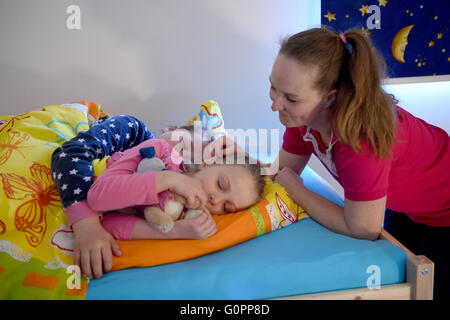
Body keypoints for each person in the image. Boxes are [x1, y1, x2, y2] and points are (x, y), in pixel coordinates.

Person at [264, 27, 449, 300]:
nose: (275, 105)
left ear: (330, 98)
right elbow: (281, 173)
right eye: (273, 87)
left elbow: (362, 228)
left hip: (445, 210)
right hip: (409, 206)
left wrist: (298, 190)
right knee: (400, 276)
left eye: (290, 98)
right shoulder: (303, 119)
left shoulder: (361, 141)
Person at [51, 115, 238, 279]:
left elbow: (115, 223)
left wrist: (176, 231)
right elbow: (70, 153)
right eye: (184, 146)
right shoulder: (133, 129)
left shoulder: (169, 198)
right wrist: (87, 225)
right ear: (171, 130)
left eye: (187, 167)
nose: (177, 160)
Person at [85, 138, 265, 243]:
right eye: (221, 185)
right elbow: (97, 197)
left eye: (226, 207)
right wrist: (170, 179)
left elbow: (109, 224)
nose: (215, 200)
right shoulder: (160, 152)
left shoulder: (182, 215)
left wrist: (176, 231)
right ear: (206, 164)